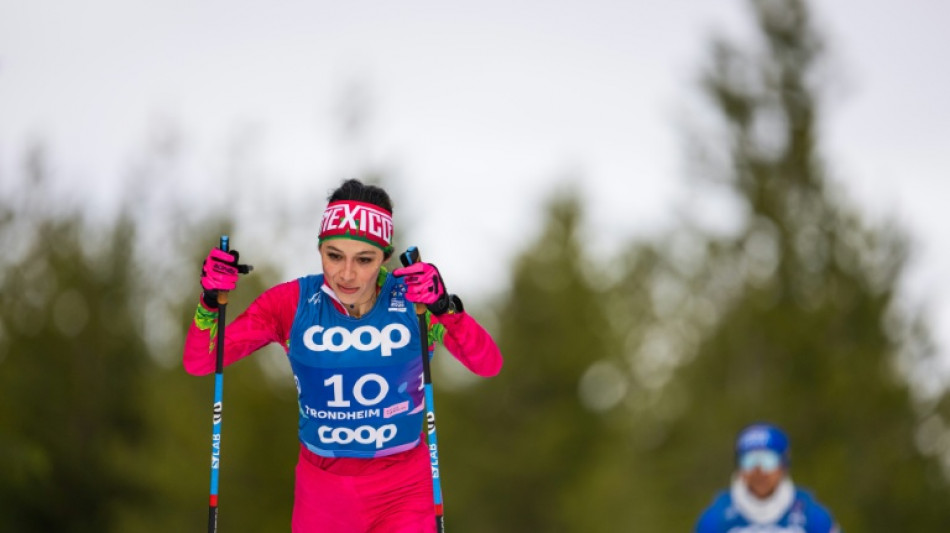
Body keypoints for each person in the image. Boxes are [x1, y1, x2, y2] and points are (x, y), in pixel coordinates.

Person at [183, 178, 503, 532]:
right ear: (320, 248)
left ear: (384, 256)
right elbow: (201, 361)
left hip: (403, 490)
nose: (347, 274)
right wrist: (210, 301)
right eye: (334, 256)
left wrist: (444, 307)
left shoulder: (414, 301)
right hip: (323, 495)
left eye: (364, 259)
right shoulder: (291, 303)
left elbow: (487, 363)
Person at [695, 423, 841, 533]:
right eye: (749, 461)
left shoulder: (812, 515)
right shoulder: (715, 518)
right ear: (739, 469)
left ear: (783, 466)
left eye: (768, 460)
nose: (759, 471)